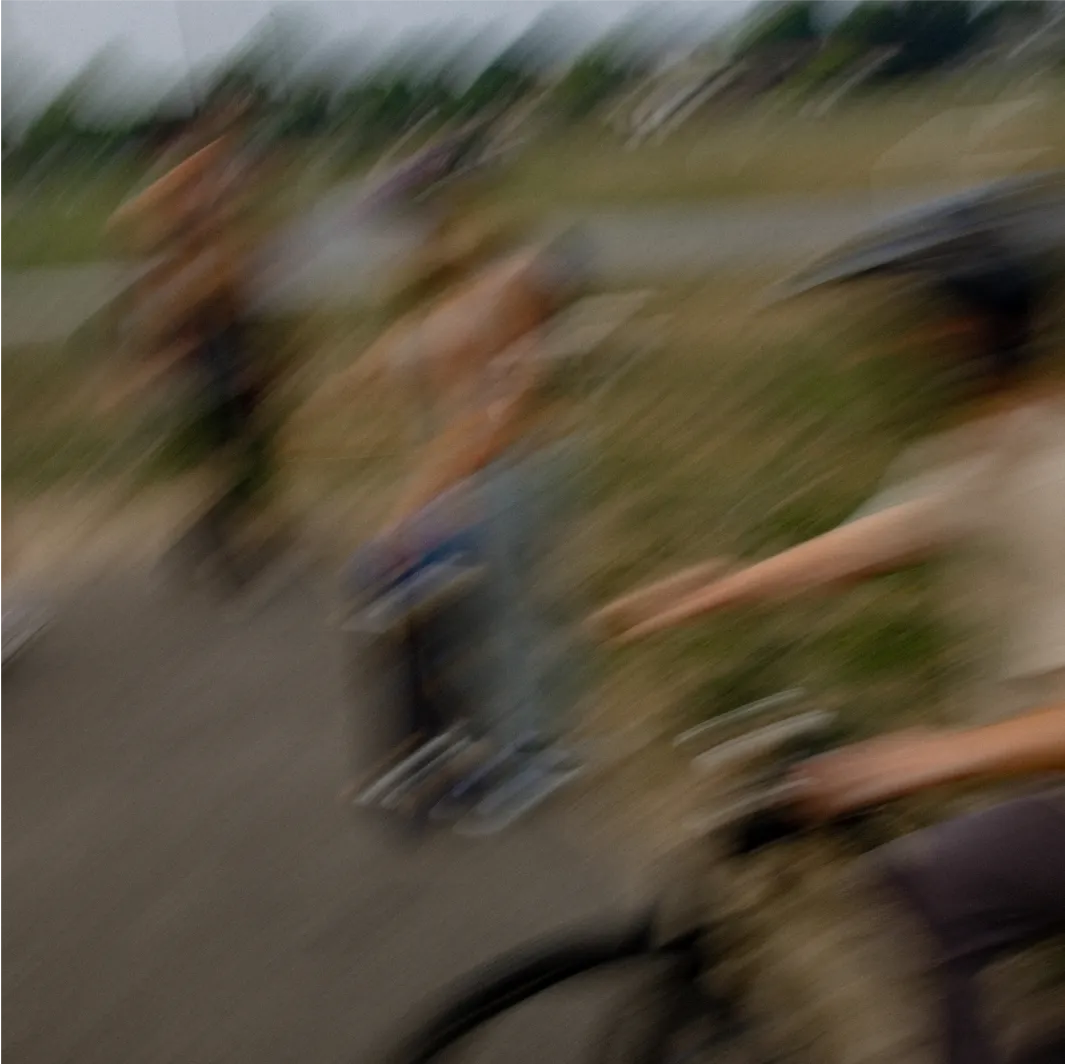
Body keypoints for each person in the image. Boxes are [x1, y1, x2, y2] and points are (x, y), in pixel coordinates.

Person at [590, 236, 1065, 1064]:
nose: (891, 350)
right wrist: (721, 588)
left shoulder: (1048, 477)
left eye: (911, 328)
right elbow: (877, 540)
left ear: (961, 336)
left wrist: (929, 758)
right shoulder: (994, 447)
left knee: (939, 888)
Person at [326, 181, 591, 834]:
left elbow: (490, 415)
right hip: (479, 480)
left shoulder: (505, 285)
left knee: (501, 619)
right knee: (471, 618)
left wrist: (413, 511)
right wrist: (356, 380)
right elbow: (415, 353)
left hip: (506, 477)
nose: (399, 250)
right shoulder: (453, 296)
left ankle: (528, 759)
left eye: (414, 230)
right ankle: (484, 749)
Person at [106, 94, 296, 596]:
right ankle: (215, 544)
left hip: (236, 331)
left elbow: (251, 194)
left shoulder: (211, 195)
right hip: (205, 339)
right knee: (230, 448)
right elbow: (160, 284)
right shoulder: (165, 207)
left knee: (252, 446)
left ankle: (213, 538)